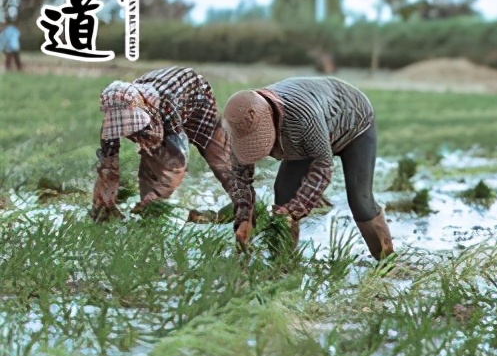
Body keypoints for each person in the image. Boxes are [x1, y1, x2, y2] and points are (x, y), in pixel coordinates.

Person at [221, 76, 394, 260]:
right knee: (284, 193)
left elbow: (323, 166)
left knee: (361, 201)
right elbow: (240, 177)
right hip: (303, 140)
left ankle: (387, 261)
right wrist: (244, 216)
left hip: (354, 122)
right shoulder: (239, 123)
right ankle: (283, 264)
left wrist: (295, 210)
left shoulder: (303, 118)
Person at [91, 67, 236, 219]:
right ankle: (150, 212)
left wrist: (155, 196)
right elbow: (107, 166)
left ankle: (243, 202)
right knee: (151, 159)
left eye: (135, 128)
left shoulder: (165, 105)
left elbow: (177, 162)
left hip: (195, 97)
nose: (131, 134)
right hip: (158, 98)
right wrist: (103, 203)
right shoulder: (112, 117)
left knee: (217, 153)